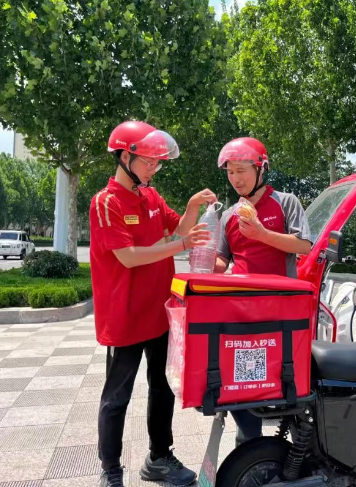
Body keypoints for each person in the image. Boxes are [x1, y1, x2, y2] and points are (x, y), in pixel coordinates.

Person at [90, 120, 217, 487]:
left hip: (159, 313)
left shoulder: (151, 197)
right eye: (148, 161)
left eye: (157, 163)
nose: (153, 168)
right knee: (117, 397)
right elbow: (129, 256)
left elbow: (180, 229)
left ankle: (159, 458)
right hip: (125, 316)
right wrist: (182, 245)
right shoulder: (106, 202)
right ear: (124, 156)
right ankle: (111, 470)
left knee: (162, 388)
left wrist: (191, 207)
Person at [214, 137, 312, 446]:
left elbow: (303, 245)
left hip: (281, 312)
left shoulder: (286, 202)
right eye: (230, 172)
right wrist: (203, 260)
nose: (236, 179)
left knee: (288, 383)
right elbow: (223, 259)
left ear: (260, 169)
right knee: (243, 382)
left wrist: (262, 233)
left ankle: (301, 452)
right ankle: (248, 449)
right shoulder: (229, 215)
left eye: (241, 170)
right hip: (242, 313)